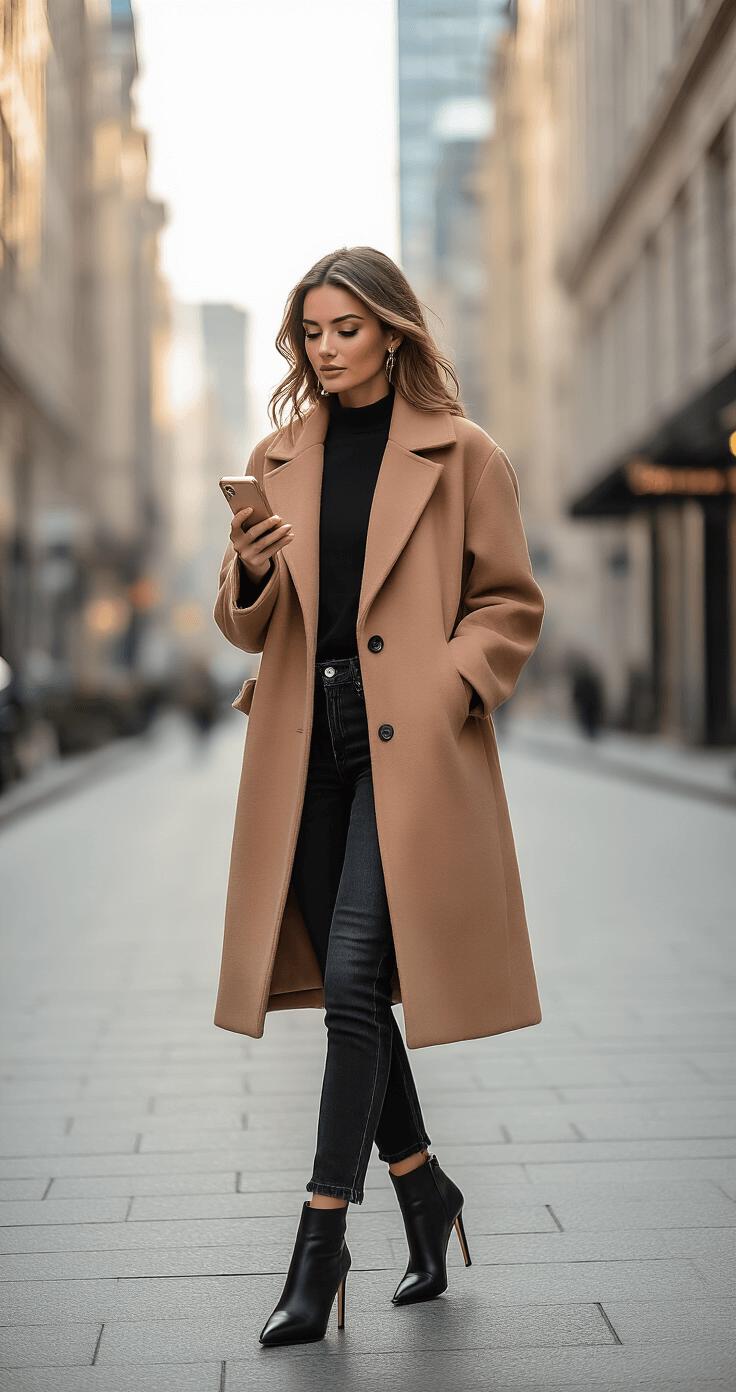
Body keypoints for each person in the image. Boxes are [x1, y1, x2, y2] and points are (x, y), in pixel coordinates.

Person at [214, 247, 545, 1347]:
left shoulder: (463, 453)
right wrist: (252, 566)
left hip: (407, 739)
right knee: (348, 989)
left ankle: (319, 1242)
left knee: (354, 975)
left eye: (345, 328)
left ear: (393, 332)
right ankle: (423, 1187)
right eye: (310, 332)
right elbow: (248, 625)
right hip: (303, 739)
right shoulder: (276, 458)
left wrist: (451, 684)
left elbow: (508, 604)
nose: (325, 349)